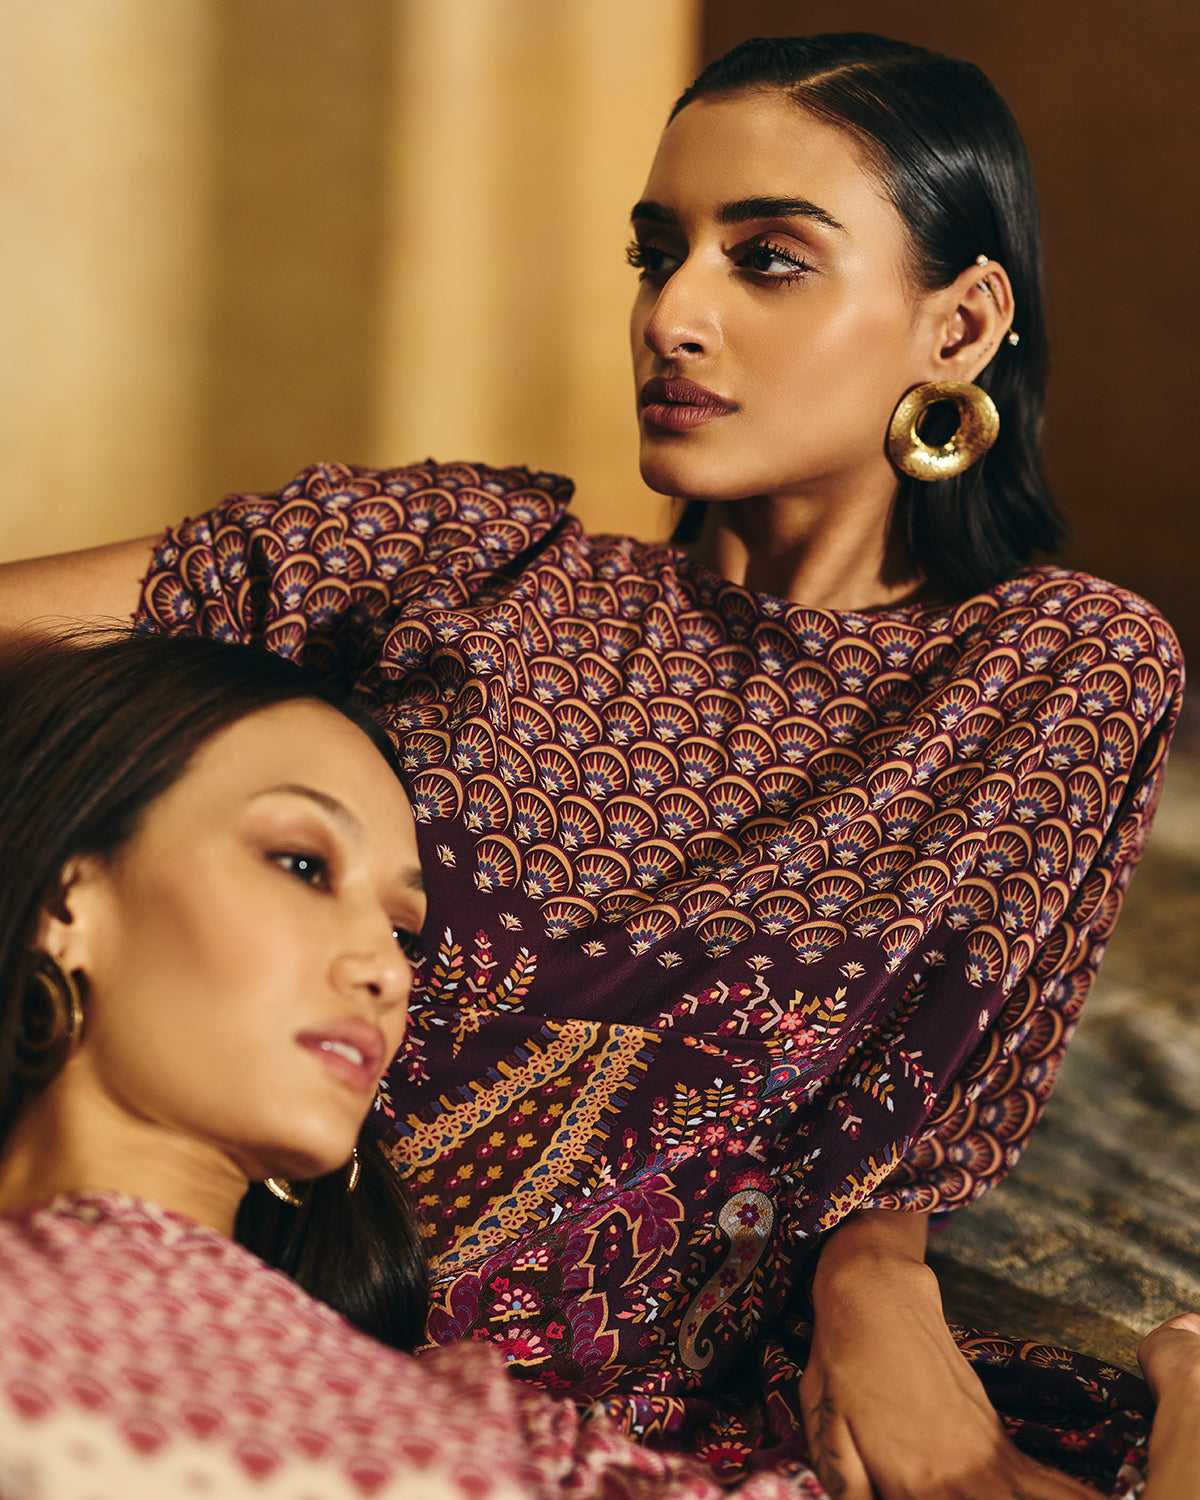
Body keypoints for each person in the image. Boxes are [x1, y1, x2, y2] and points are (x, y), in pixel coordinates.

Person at [0, 30, 1188, 1500]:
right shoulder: (465, 560)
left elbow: (932, 1117)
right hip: (215, 1307)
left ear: (959, 326)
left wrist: (876, 1281)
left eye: (767, 260)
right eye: (656, 253)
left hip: (639, 1429)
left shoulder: (1055, 670)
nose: (673, 315)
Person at [0, 630, 822, 1499]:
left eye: (402, 933)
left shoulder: (506, 1435)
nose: (387, 973)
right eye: (303, 865)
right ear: (67, 902)